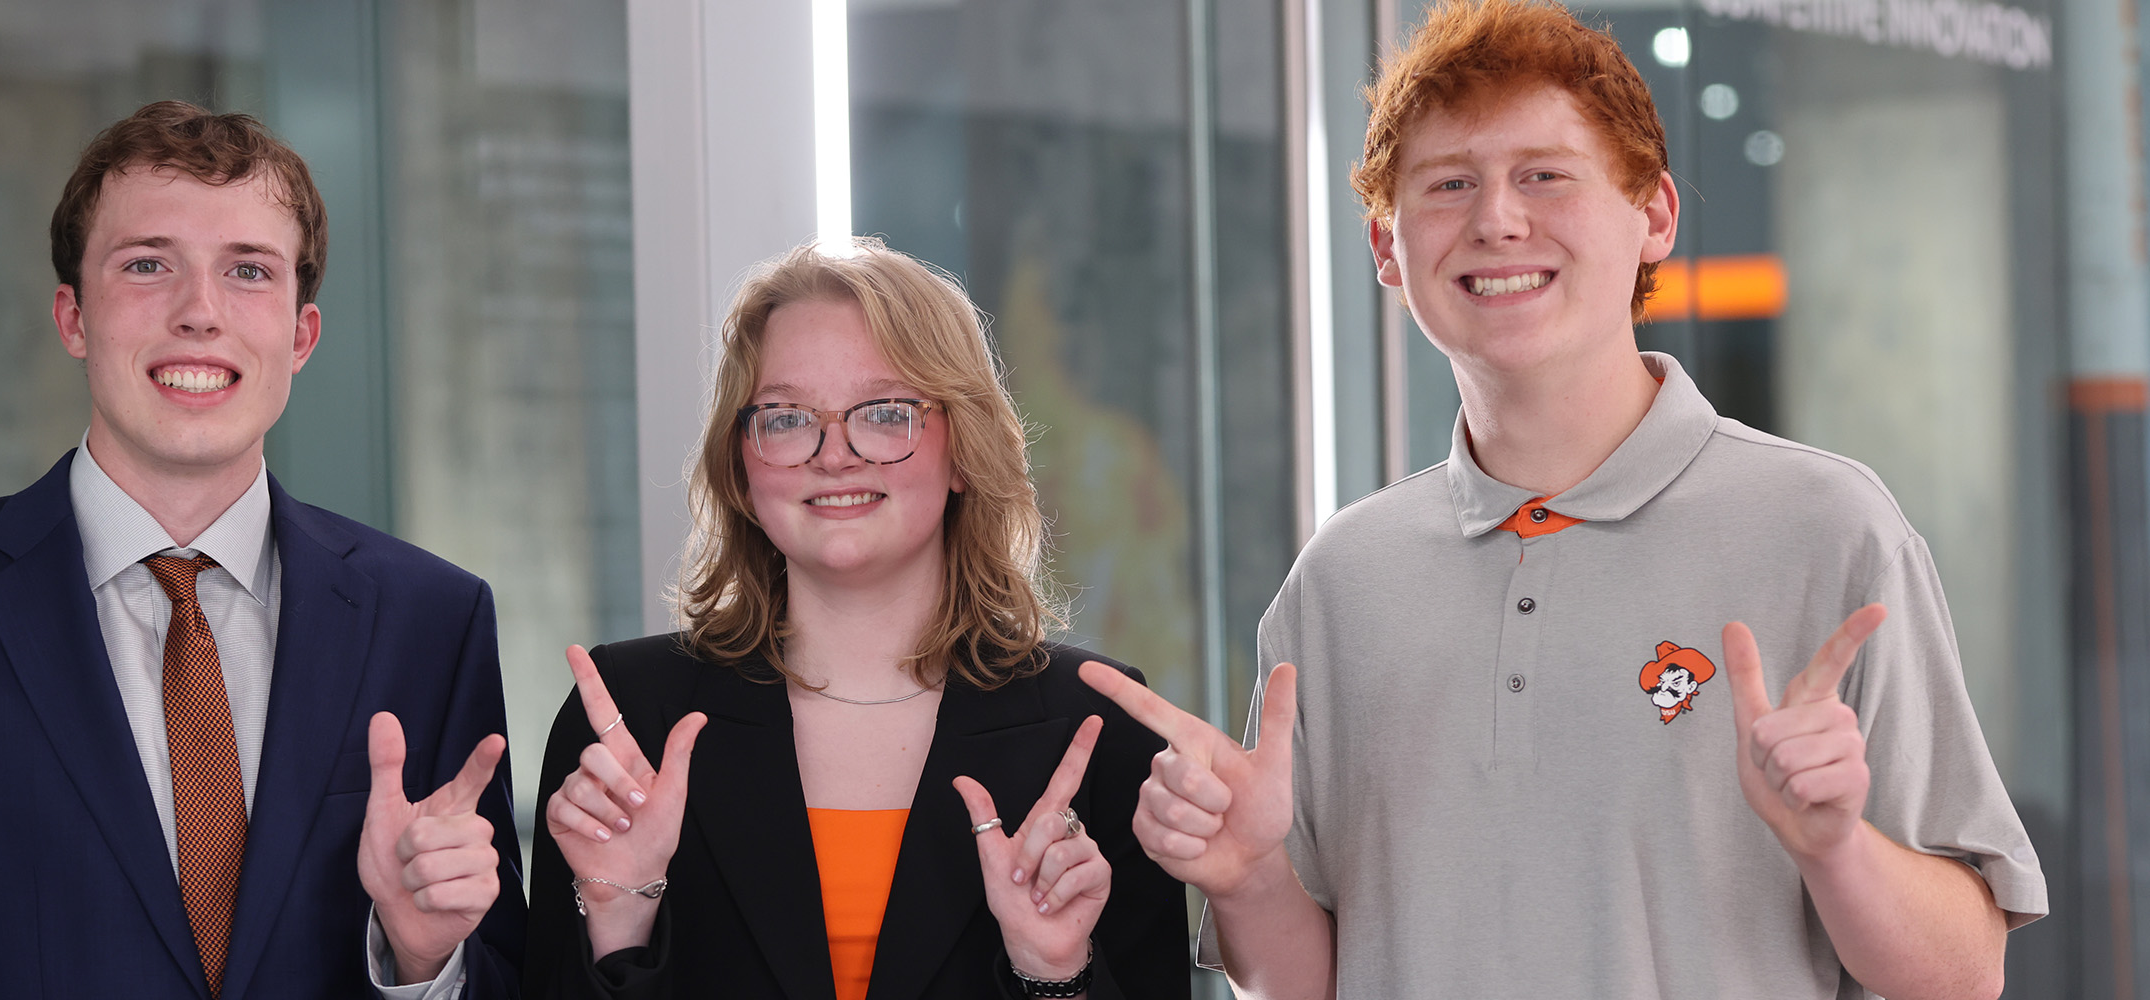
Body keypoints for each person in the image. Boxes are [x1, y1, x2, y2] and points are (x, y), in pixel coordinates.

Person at [1080, 1, 2048, 997]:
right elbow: (1315, 982)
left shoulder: (1827, 528)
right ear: (1385, 248)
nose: (1496, 218)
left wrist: (1835, 847)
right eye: (1449, 184)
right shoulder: (1341, 582)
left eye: (1543, 174)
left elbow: (1966, 973)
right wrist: (1243, 880)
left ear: (1654, 216)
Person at [0, 101, 527, 999]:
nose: (200, 312)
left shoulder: (430, 623)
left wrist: (426, 962)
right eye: (148, 265)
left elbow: (509, 971)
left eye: (248, 271)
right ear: (73, 319)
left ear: (301, 335)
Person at [519, 238, 1188, 999]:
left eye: (884, 413)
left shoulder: (1099, 728)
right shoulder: (626, 721)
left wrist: (1055, 977)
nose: (833, 454)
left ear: (962, 450)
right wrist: (619, 921)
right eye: (785, 417)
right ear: (742, 465)